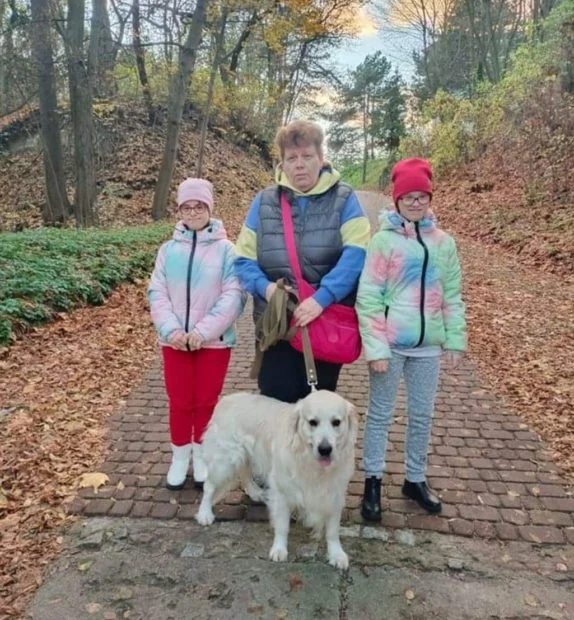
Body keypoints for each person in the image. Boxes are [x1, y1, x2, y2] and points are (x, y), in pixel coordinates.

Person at [356, 158, 467, 520]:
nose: (416, 203)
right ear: (397, 198)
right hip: (390, 345)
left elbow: (452, 294)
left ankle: (414, 479)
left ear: (430, 198)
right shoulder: (383, 242)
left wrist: (454, 340)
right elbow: (369, 296)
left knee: (421, 415)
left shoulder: (444, 243)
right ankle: (372, 481)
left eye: (422, 196)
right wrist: (375, 348)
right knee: (380, 416)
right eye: (409, 196)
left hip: (428, 347)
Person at [234, 120, 370, 403]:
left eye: (307, 156)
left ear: (321, 158)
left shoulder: (345, 198)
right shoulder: (264, 202)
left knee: (316, 412)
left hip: (325, 321)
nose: (299, 165)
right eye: (291, 158)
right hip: (277, 326)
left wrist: (323, 297)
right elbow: (243, 260)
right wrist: (266, 289)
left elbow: (356, 254)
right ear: (282, 163)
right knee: (274, 407)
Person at [148, 178, 244, 490]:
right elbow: (157, 292)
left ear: (209, 207)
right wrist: (171, 329)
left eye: (199, 205)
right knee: (179, 401)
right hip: (174, 342)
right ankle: (179, 457)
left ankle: (202, 456)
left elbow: (234, 295)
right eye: (187, 206)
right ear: (179, 210)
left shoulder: (227, 250)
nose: (193, 211)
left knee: (205, 401)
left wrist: (203, 331)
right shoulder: (167, 250)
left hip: (213, 343)